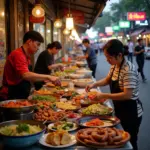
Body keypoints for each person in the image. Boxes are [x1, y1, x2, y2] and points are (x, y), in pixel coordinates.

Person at [86, 39, 143, 150]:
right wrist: (94, 84)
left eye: (109, 57)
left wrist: (104, 96)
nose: (107, 60)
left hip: (131, 112)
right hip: (120, 109)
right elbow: (108, 80)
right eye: (106, 57)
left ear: (119, 55)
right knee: (119, 139)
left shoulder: (128, 69)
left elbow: (127, 95)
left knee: (129, 141)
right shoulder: (115, 65)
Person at [0, 31, 61, 100]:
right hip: (11, 94)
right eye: (37, 44)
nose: (38, 48)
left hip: (20, 92)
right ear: (29, 41)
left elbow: (30, 76)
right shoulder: (18, 54)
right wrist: (48, 77)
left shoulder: (27, 56)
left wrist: (45, 79)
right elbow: (25, 75)